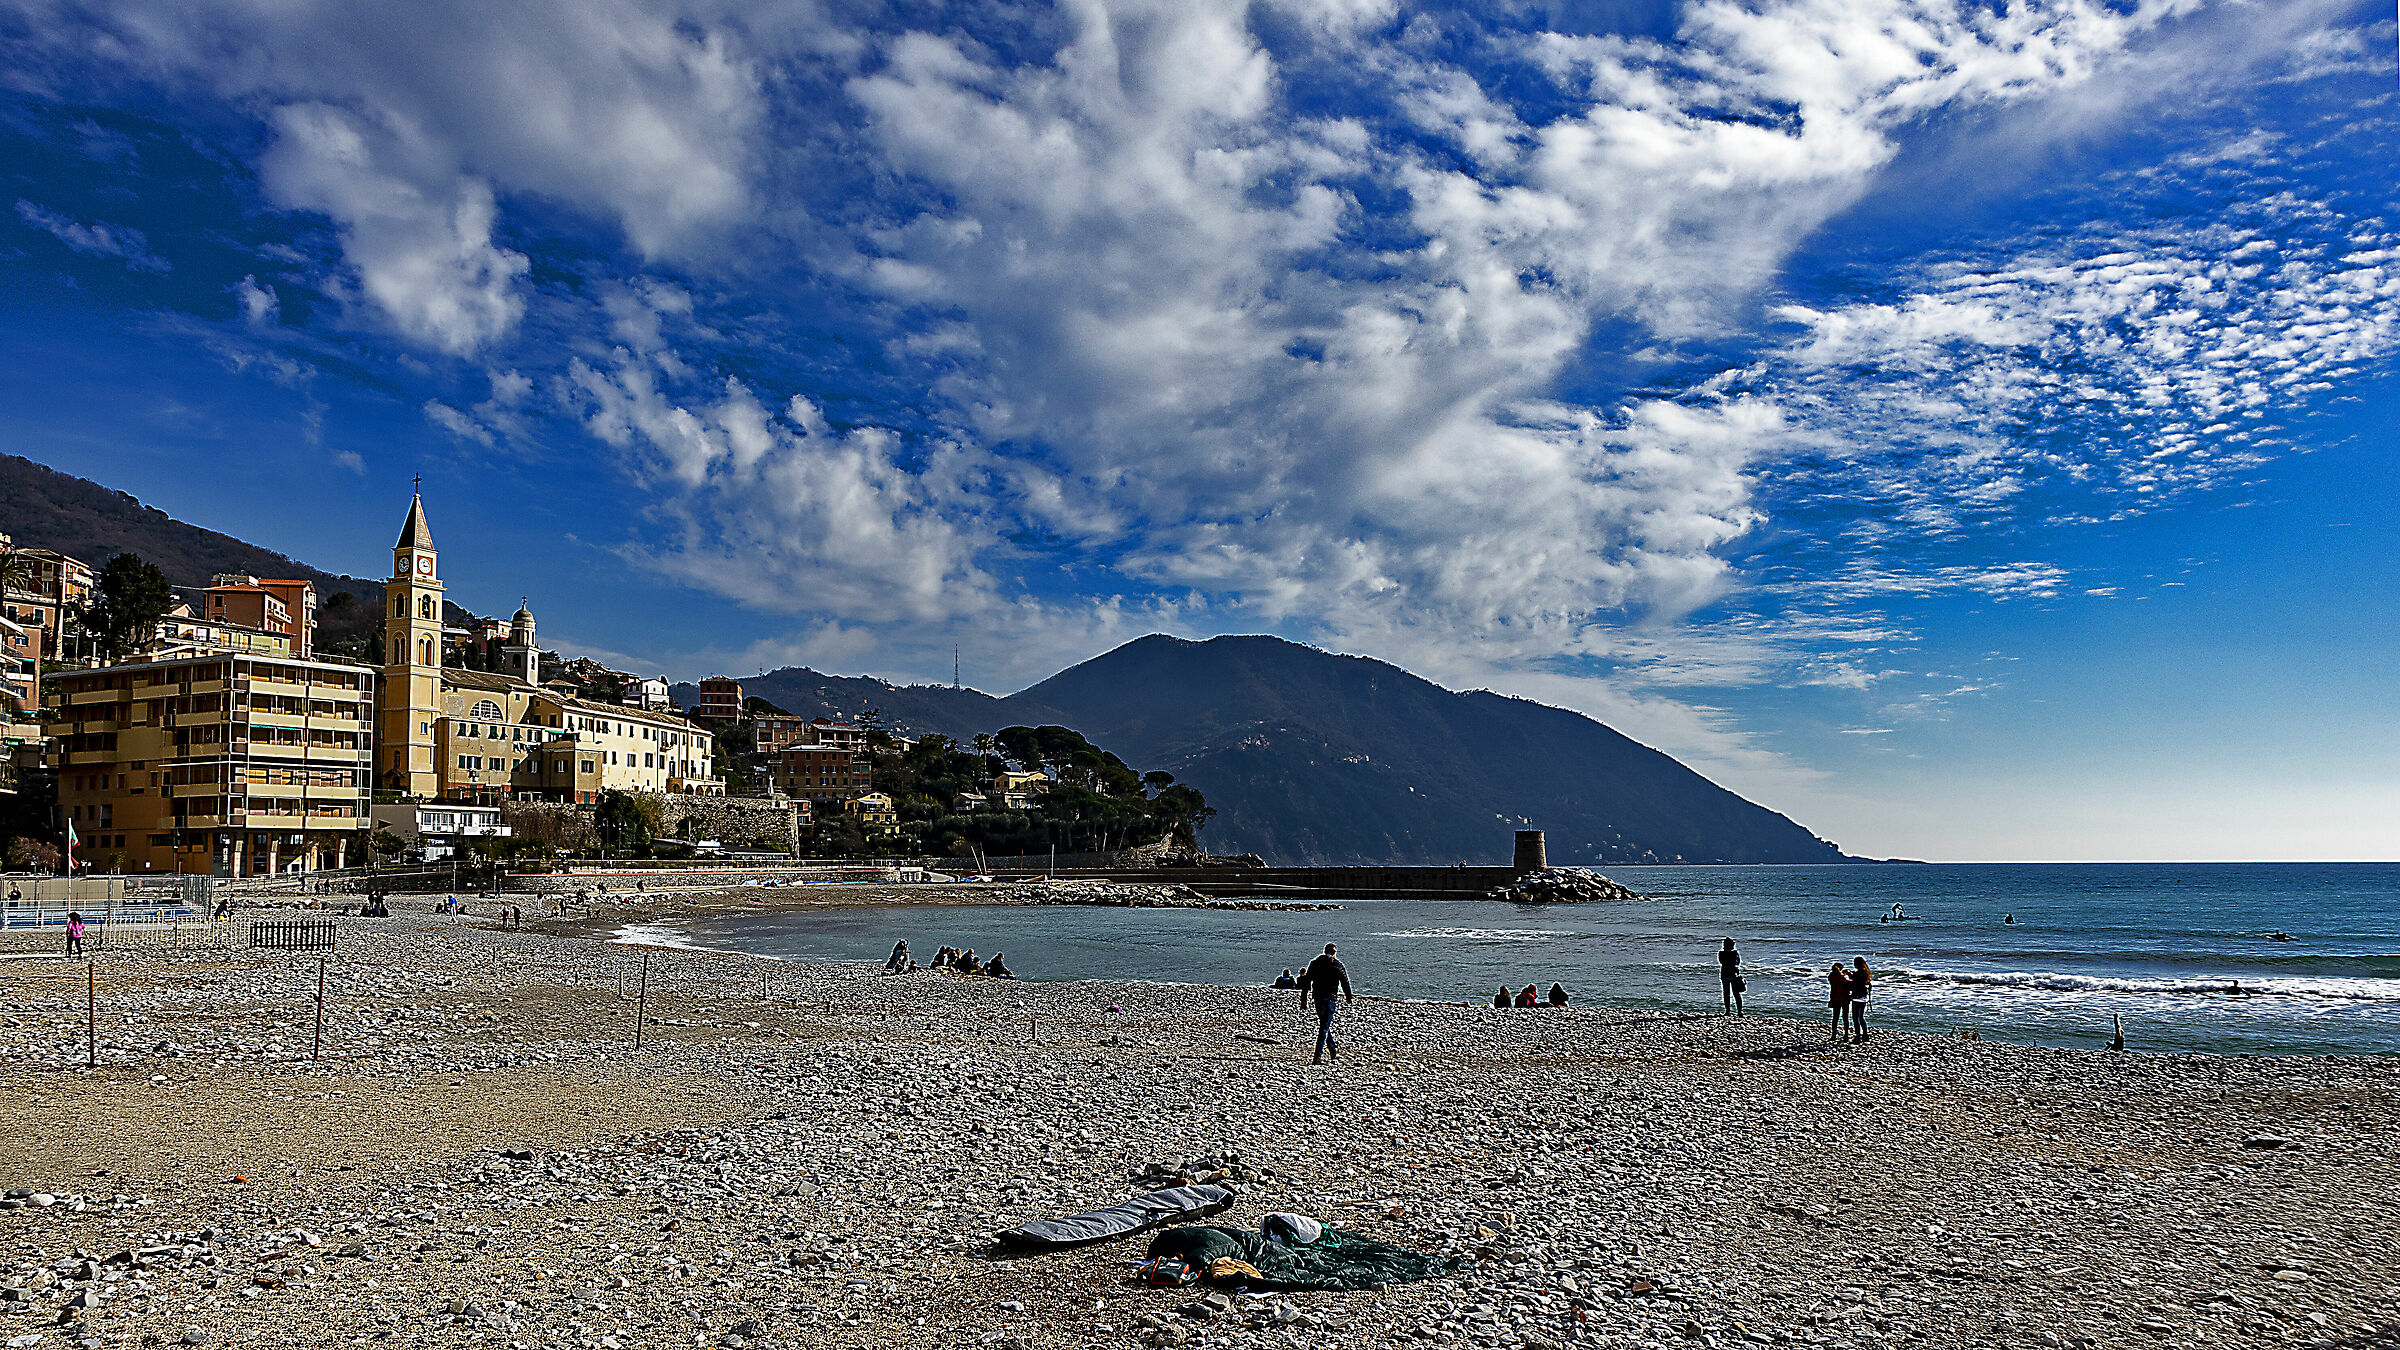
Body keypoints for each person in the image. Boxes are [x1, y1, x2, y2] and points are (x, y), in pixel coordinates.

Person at [1298, 943, 1352, 1065]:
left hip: (1317, 997)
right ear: (1334, 952)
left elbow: (1306, 982)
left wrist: (1304, 999)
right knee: (1324, 1027)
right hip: (1330, 998)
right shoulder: (1337, 964)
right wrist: (1348, 997)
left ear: (1324, 951)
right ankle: (1317, 1056)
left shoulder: (1315, 963)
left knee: (1324, 1025)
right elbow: (1345, 982)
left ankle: (1332, 1050)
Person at [1718, 939, 1744, 1016]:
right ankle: (1739, 1011)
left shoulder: (1721, 953)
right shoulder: (1735, 953)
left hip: (1725, 973)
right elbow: (1737, 962)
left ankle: (1727, 1011)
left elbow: (1721, 962)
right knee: (1736, 993)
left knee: (1726, 993)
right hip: (1734, 974)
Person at [1849, 957, 1872, 1041]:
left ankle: (1858, 1036)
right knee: (1861, 1017)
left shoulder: (1858, 974)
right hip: (1864, 998)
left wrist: (1850, 974)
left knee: (1855, 1018)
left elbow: (1854, 982)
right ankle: (1865, 1035)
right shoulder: (1866, 973)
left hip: (1856, 998)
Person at [1827, 962, 1851, 1038]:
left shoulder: (1831, 976)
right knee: (1845, 1017)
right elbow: (1849, 984)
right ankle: (1846, 1035)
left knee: (1835, 1017)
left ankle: (1833, 1035)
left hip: (1834, 998)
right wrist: (1848, 974)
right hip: (1844, 998)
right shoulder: (1843, 977)